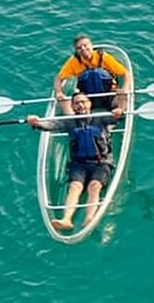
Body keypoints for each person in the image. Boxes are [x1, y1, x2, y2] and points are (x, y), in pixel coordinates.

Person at [26, 93, 124, 232]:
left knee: (94, 186)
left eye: (83, 102)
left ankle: (89, 217)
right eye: (77, 103)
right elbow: (51, 125)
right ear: (72, 106)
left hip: (101, 162)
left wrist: (119, 112)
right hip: (78, 164)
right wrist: (36, 122)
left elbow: (117, 117)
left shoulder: (100, 118)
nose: (80, 105)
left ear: (90, 104)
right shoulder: (70, 122)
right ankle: (66, 220)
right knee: (74, 187)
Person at [52, 34, 133, 114]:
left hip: (109, 94)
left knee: (123, 95)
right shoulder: (73, 62)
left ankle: (119, 112)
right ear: (76, 51)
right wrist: (59, 92)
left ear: (91, 45)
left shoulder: (103, 57)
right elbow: (58, 78)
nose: (83, 49)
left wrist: (125, 88)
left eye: (85, 45)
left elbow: (125, 74)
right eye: (79, 48)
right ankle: (72, 119)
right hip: (87, 98)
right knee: (64, 101)